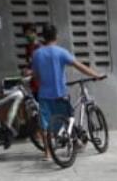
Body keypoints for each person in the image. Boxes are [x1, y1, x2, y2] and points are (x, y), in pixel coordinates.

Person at [30, 24, 103, 160]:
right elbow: (79, 65)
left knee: (45, 124)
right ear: (56, 36)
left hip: (44, 94)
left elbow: (36, 75)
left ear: (43, 37)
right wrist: (95, 75)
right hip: (60, 93)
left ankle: (47, 153)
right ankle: (73, 144)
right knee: (68, 120)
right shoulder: (61, 52)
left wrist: (42, 83)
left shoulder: (37, 54)